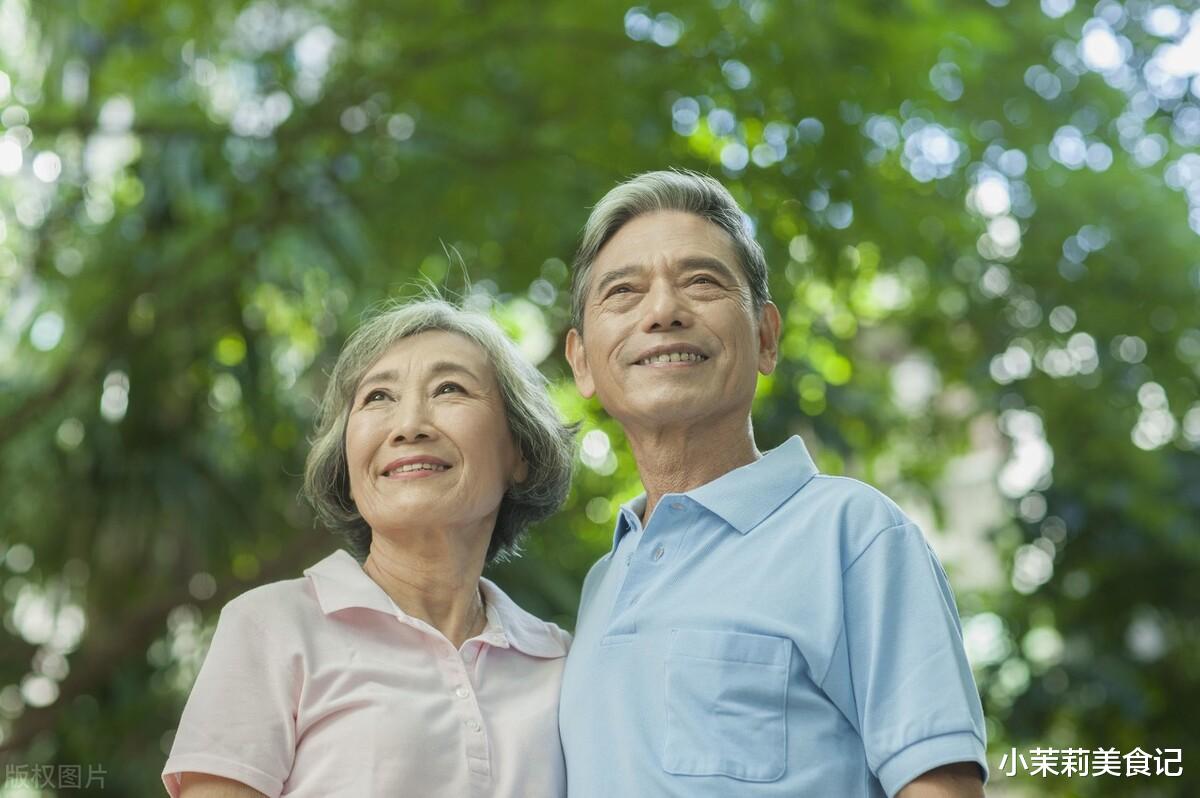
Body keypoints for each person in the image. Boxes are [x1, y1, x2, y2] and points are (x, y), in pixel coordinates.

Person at [559, 170, 988, 797]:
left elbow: (940, 788)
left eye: (701, 281)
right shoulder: (605, 579)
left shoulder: (854, 533)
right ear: (582, 363)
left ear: (765, 337)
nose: (663, 312)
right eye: (623, 292)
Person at [163, 297, 576, 798]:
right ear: (348, 462)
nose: (409, 426)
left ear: (520, 454)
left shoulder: (561, 661)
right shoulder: (272, 624)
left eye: (450, 389)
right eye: (378, 397)